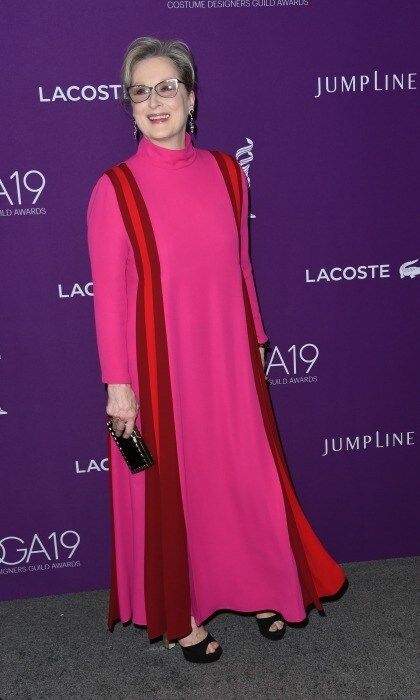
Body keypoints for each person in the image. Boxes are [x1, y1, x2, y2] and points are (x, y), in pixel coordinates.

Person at [86, 36, 347, 665]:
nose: (155, 101)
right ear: (129, 106)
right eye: (140, 91)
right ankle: (185, 614)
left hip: (229, 359)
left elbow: (242, 268)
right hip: (162, 370)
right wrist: (119, 387)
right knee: (182, 490)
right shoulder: (114, 190)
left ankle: (260, 582)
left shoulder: (229, 172)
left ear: (191, 97)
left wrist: (257, 338)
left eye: (167, 86)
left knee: (242, 476)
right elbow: (110, 300)